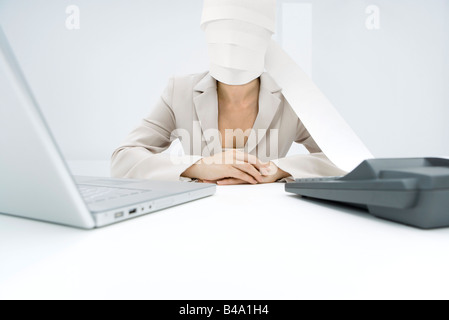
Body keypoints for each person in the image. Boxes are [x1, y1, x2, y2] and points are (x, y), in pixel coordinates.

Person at [110, 0, 348, 185]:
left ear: (266, 38)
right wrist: (198, 165)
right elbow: (123, 160)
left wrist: (275, 170)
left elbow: (346, 161)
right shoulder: (179, 92)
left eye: (245, 31)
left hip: (270, 218)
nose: (233, 42)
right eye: (222, 31)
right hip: (197, 218)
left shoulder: (290, 98)